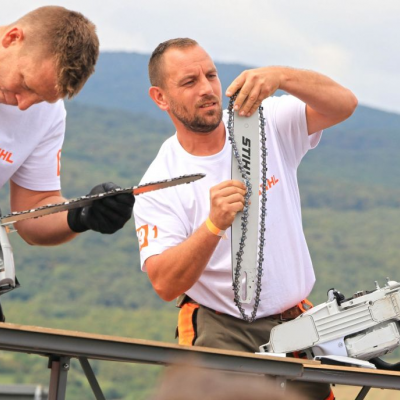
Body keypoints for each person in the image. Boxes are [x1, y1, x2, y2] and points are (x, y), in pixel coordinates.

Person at [134, 38, 357, 400]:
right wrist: (212, 226)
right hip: (223, 328)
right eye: (189, 82)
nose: (207, 90)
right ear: (160, 98)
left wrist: (281, 76)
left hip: (297, 324)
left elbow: (344, 105)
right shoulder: (159, 183)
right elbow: (164, 283)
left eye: (211, 75)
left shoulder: (264, 122)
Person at [0, 6, 134, 247]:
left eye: (41, 97)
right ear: (12, 39)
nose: (24, 104)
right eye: (26, 84)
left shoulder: (48, 114)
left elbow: (33, 209)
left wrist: (81, 215)